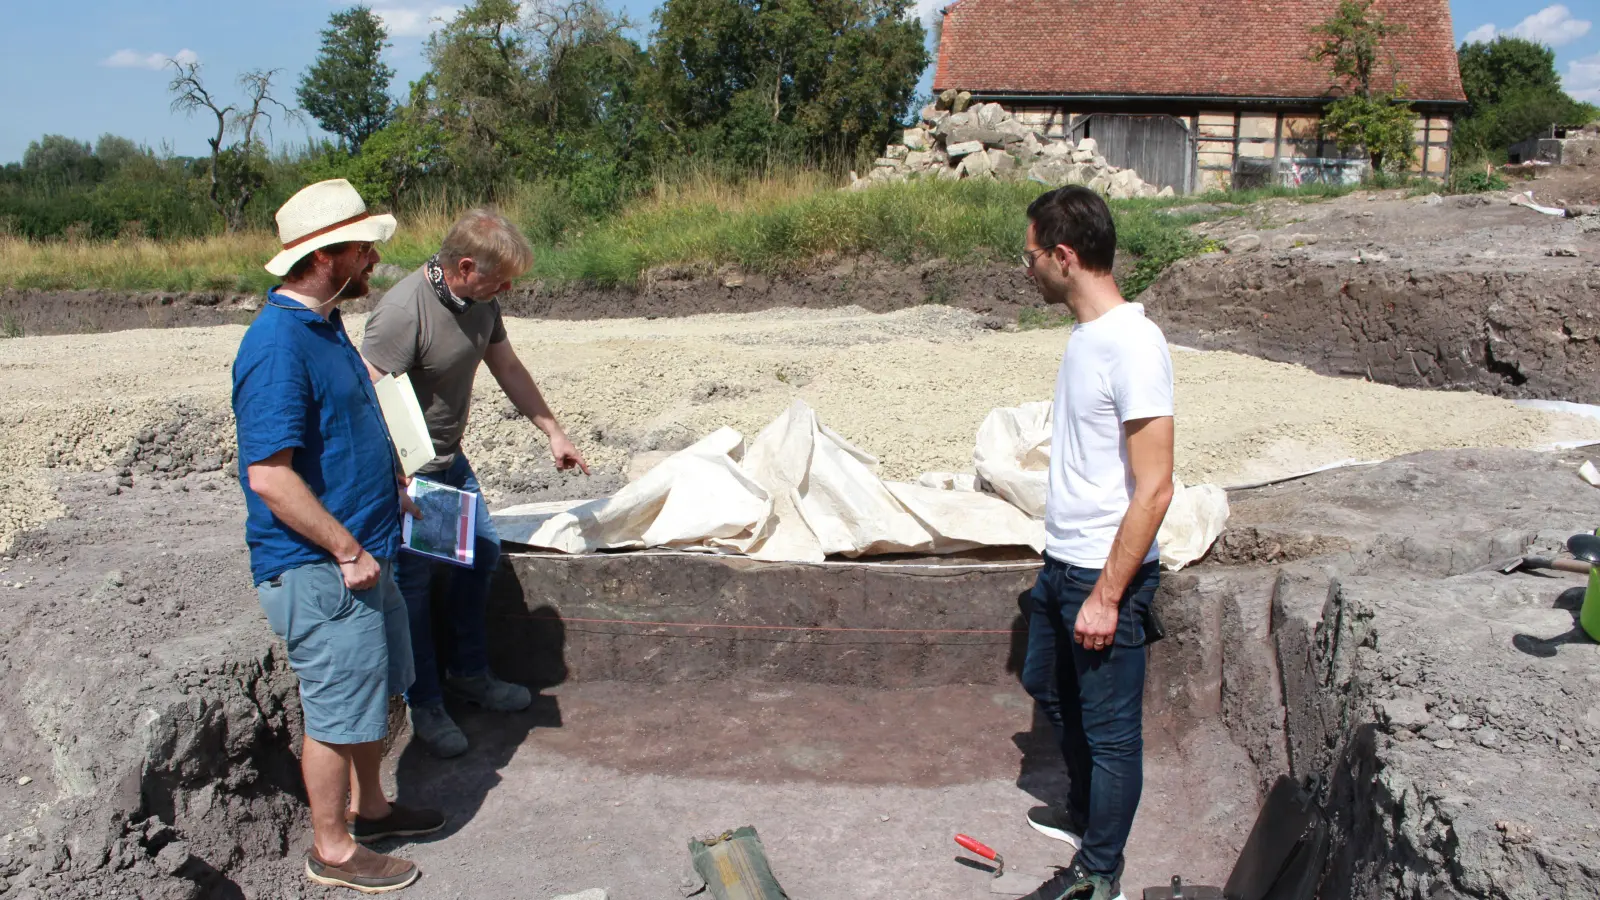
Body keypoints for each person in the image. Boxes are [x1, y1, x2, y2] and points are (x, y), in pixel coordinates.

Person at [233, 179, 445, 894]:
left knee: (370, 692)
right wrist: (346, 549)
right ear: (326, 256)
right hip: (322, 568)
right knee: (335, 712)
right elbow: (270, 477)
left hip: (362, 553)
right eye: (363, 249)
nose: (374, 259)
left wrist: (390, 486)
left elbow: (341, 432)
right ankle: (332, 848)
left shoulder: (323, 327)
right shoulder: (275, 346)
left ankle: (372, 809)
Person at [361, 208, 589, 758]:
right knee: (413, 589)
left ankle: (468, 674)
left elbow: (507, 367)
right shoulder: (403, 314)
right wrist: (393, 480)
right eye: (501, 279)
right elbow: (368, 400)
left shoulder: (481, 301)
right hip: (410, 473)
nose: (508, 289)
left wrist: (553, 431)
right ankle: (425, 704)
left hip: (450, 462)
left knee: (479, 557)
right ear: (465, 267)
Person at [1016, 186, 1176, 900]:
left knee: (1113, 734)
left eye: (1030, 257)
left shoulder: (1134, 345)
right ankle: (1087, 815)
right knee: (1044, 683)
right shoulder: (1086, 337)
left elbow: (1156, 487)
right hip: (1063, 562)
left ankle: (1099, 873)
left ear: (1063, 256)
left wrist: (1109, 596)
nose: (1027, 271)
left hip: (1103, 575)